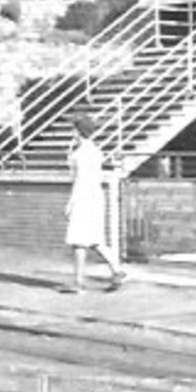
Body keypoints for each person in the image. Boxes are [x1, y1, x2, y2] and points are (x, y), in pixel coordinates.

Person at [62, 113, 126, 293]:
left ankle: (79, 283)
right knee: (94, 239)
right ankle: (117, 270)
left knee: (78, 241)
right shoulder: (96, 151)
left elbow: (79, 180)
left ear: (77, 132)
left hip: (83, 196)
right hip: (96, 196)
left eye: (73, 129)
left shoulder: (79, 154)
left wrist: (70, 203)